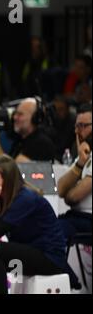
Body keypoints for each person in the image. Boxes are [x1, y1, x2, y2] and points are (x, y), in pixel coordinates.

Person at [0, 154, 76, 294]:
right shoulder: (5, 197)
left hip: (49, 258)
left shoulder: (25, 198)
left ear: (6, 178)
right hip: (29, 253)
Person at [0, 97, 56, 162]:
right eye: (15, 114)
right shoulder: (19, 141)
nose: (15, 118)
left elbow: (14, 172)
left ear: (35, 118)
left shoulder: (42, 144)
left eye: (20, 114)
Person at [57, 103, 92, 241]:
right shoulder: (82, 156)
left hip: (87, 220)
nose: (77, 131)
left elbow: (73, 197)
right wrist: (79, 164)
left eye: (83, 126)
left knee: (50, 234)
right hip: (75, 217)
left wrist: (68, 195)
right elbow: (60, 189)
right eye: (77, 126)